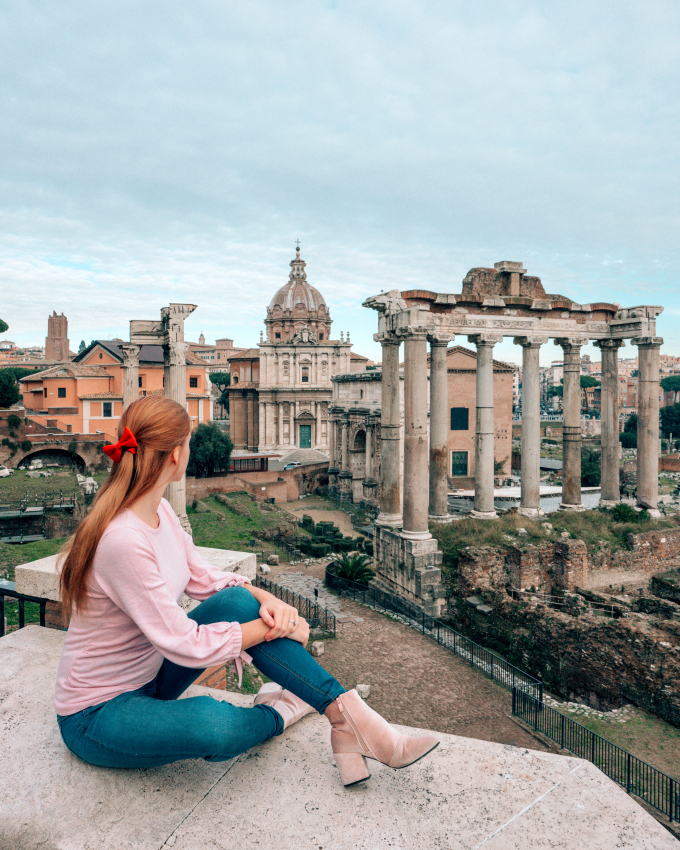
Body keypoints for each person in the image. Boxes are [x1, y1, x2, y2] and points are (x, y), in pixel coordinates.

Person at [55, 396, 438, 786]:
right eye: (189, 443)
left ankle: (345, 716)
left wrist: (269, 600)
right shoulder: (123, 540)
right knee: (214, 726)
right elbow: (184, 642)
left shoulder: (160, 512)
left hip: (151, 676)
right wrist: (279, 628)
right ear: (175, 455)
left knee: (239, 599)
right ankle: (284, 712)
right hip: (96, 712)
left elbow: (204, 580)